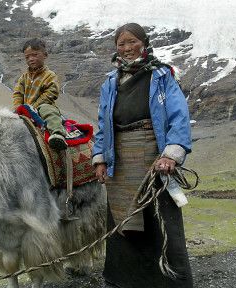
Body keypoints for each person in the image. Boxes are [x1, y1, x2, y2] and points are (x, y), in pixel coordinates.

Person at [92, 23, 193, 288]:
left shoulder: (161, 76)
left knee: (158, 220)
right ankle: (122, 281)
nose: (126, 48)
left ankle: (170, 282)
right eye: (121, 44)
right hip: (120, 160)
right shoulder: (111, 82)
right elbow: (103, 124)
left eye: (132, 42)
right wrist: (101, 158)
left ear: (144, 43)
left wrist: (171, 154)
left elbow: (178, 115)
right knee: (122, 218)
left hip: (153, 158)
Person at [12, 38, 68, 150]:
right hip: (26, 110)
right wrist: (19, 108)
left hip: (43, 107)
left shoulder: (50, 75)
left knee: (48, 110)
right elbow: (18, 93)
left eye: (35, 55)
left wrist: (34, 106)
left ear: (45, 55)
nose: (31, 59)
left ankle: (57, 134)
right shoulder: (24, 77)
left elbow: (51, 93)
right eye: (27, 57)